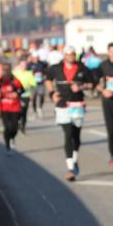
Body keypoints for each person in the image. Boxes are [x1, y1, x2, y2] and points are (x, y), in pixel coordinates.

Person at [46, 47, 93, 181]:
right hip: (62, 104)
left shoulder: (82, 68)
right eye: (68, 54)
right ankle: (70, 168)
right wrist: (51, 93)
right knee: (68, 135)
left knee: (76, 136)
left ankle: (75, 159)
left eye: (73, 54)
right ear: (64, 55)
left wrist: (81, 87)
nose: (71, 56)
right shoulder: (56, 68)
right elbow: (48, 79)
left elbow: (91, 84)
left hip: (77, 105)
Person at [0, 63, 25, 154]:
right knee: (6, 127)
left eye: (7, 70)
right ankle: (7, 147)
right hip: (4, 107)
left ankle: (12, 138)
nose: (5, 72)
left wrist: (17, 94)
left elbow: (22, 90)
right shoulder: (0, 81)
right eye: (4, 70)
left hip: (15, 107)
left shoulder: (15, 81)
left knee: (14, 127)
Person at [11, 57, 37, 134]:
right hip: (16, 95)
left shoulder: (29, 73)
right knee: (17, 110)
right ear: (18, 65)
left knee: (24, 111)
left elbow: (33, 84)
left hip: (26, 94)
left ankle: (23, 126)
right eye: (22, 65)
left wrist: (32, 93)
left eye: (25, 65)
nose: (23, 66)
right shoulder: (14, 73)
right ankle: (17, 121)